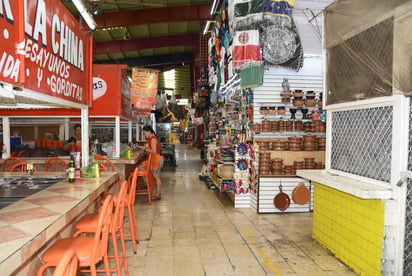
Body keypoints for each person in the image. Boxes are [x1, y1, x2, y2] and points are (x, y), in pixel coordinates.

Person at [140, 125, 163, 200]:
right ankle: (147, 185)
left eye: (145, 133)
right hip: (153, 159)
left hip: (156, 159)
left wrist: (144, 149)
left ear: (149, 132)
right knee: (141, 167)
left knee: (157, 177)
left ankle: (157, 194)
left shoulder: (153, 139)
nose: (144, 135)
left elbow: (154, 151)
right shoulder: (150, 139)